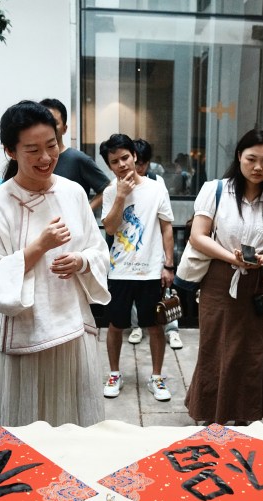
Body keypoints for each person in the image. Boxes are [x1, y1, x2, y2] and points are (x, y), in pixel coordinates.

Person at [0, 100, 110, 426]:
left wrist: (81, 261)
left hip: (74, 329)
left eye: (51, 146)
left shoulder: (74, 192)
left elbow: (99, 250)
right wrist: (38, 247)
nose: (46, 157)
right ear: (10, 151)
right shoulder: (0, 201)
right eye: (33, 150)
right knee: (27, 429)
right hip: (27, 334)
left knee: (76, 424)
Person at [184, 128, 263, 425]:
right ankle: (210, 412)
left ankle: (246, 413)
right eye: (252, 159)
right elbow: (197, 236)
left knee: (251, 351)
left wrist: (262, 259)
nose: (258, 167)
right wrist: (230, 256)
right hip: (220, 278)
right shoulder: (216, 190)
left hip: (256, 283)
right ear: (239, 158)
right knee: (215, 347)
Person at [99, 133, 176, 401]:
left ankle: (156, 377)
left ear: (134, 157)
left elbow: (166, 226)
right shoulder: (110, 191)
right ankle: (114, 373)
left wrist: (169, 264)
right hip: (119, 269)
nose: (121, 164)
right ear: (109, 165)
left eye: (125, 158)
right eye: (114, 161)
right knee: (115, 324)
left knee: (155, 326)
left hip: (151, 270)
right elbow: (109, 227)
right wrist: (120, 196)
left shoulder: (156, 189)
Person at [126, 138, 183, 350]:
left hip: (154, 247)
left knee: (164, 290)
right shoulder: (122, 182)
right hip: (131, 249)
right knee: (133, 291)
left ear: (147, 163)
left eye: (142, 163)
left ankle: (172, 330)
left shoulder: (156, 181)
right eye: (136, 161)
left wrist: (168, 261)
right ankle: (136, 326)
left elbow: (165, 221)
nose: (138, 167)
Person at [39, 98, 110, 212]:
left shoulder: (78, 159)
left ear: (65, 128)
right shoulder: (32, 159)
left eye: (54, 123)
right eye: (44, 122)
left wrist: (85, 211)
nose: (48, 127)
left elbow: (107, 189)